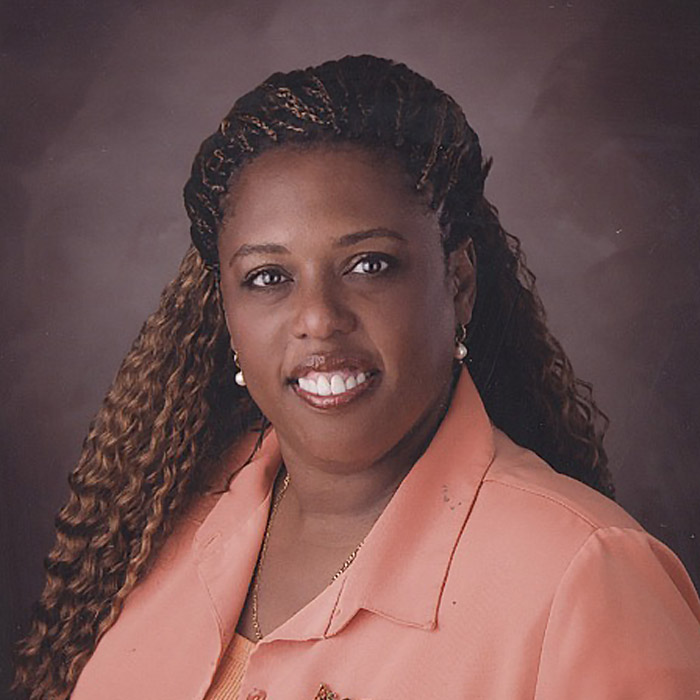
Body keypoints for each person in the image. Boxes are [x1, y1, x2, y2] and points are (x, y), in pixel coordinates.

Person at [13, 55, 700, 700]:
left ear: (458, 283)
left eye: (369, 264)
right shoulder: (163, 518)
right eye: (268, 278)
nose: (317, 318)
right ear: (226, 314)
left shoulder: (586, 575)